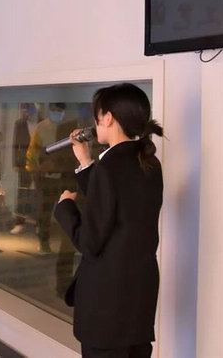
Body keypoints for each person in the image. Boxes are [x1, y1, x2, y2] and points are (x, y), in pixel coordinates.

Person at [54, 83, 163, 358]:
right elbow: (116, 203)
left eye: (97, 117)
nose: (95, 123)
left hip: (107, 306)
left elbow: (89, 242)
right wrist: (85, 161)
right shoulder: (149, 162)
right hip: (138, 299)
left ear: (109, 118)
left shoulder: (109, 169)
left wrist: (65, 208)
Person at [25, 102, 76, 255]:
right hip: (46, 178)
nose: (56, 113)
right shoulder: (42, 127)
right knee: (45, 212)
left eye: (59, 110)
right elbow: (33, 151)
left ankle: (68, 244)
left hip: (65, 176)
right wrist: (34, 169)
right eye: (54, 110)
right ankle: (44, 242)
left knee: (67, 211)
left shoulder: (69, 127)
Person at [10, 103, 39, 234]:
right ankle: (20, 222)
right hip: (23, 162)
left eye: (29, 109)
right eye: (25, 110)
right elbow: (15, 144)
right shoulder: (20, 124)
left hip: (39, 163)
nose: (27, 112)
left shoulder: (42, 123)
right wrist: (15, 162)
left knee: (38, 192)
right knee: (23, 191)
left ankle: (38, 222)